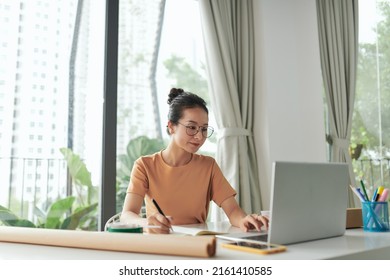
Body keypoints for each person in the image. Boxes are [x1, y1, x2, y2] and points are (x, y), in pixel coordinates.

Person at [120, 88, 268, 234]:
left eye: (204, 129)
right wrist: (147, 223)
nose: (199, 136)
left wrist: (244, 220)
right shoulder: (145, 166)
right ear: (171, 127)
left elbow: (233, 210)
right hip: (160, 243)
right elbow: (127, 215)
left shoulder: (208, 166)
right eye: (191, 127)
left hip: (197, 243)